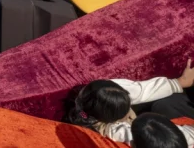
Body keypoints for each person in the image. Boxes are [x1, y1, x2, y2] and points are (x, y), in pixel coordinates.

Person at [66, 62, 194, 146]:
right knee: (163, 106)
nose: (130, 114)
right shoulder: (115, 132)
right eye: (126, 112)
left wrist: (179, 82)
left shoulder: (96, 95)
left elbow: (139, 90)